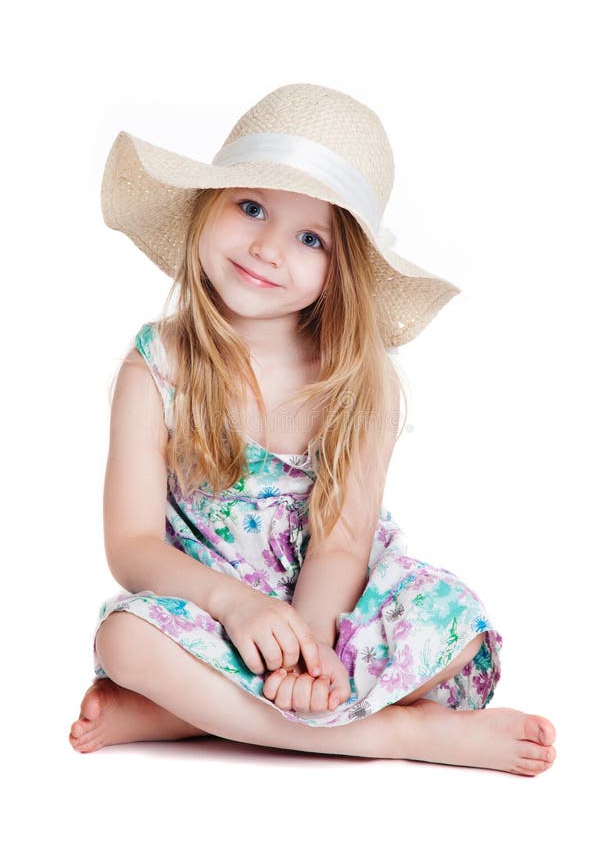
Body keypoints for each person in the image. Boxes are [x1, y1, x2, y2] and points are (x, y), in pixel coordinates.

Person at [69, 83, 556, 775]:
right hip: (206, 608)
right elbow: (133, 545)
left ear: (344, 270)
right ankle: (397, 735)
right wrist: (236, 606)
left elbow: (342, 544)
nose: (267, 248)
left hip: (332, 609)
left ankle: (179, 715)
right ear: (208, 206)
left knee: (456, 629)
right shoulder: (158, 367)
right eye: (250, 207)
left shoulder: (361, 384)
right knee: (126, 642)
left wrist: (314, 647)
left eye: (308, 237)